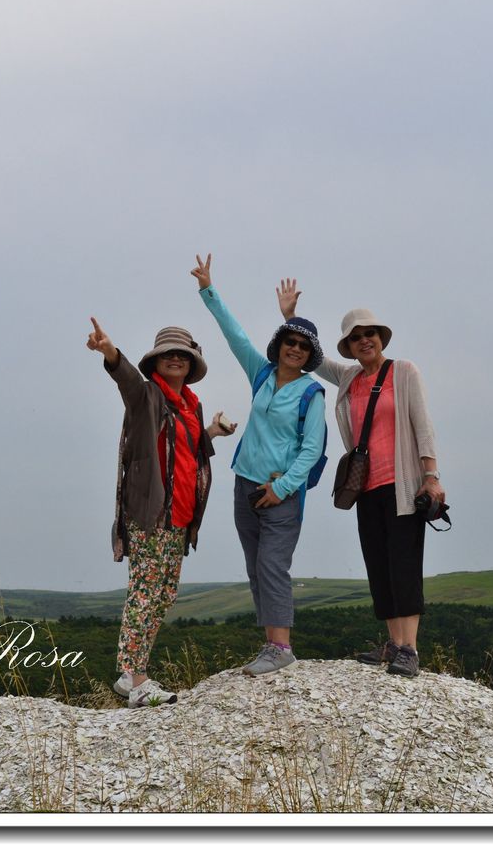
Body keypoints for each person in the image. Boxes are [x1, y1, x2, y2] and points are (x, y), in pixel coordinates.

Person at [277, 279, 446, 679]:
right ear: (349, 347)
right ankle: (393, 643)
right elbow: (314, 360)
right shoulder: (350, 378)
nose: (364, 340)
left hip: (403, 486)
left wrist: (431, 475)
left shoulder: (403, 371)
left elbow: (423, 425)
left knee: (403, 563)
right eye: (355, 337)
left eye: (369, 333)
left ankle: (410, 649)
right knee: (378, 564)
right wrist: (291, 318)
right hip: (365, 488)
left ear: (381, 337)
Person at [87, 316, 236, 708]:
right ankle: (136, 679)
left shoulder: (190, 405)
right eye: (168, 354)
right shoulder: (147, 396)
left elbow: (187, 451)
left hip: (180, 517)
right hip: (150, 513)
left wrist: (212, 432)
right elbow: (127, 381)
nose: (175, 359)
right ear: (155, 361)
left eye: (182, 355)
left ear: (191, 363)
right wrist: (110, 352)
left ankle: (130, 675)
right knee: (145, 591)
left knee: (163, 595)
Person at [191, 254, 326, 677]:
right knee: (255, 566)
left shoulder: (312, 394)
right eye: (290, 341)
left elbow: (311, 450)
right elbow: (234, 335)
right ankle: (271, 643)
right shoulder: (262, 375)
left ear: (310, 355)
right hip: (245, 485)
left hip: (280, 493)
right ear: (280, 344)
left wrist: (281, 488)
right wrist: (209, 291)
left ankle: (281, 647)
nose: (295, 348)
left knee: (272, 565)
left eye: (303, 346)